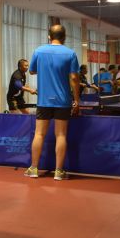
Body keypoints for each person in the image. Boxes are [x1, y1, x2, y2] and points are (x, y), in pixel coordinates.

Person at [24, 24, 80, 181]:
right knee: (61, 135)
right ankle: (58, 172)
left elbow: (32, 70)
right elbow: (74, 78)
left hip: (43, 101)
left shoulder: (39, 51)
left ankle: (33, 169)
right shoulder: (70, 53)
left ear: (49, 36)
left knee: (39, 134)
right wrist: (76, 100)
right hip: (63, 101)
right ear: (64, 37)